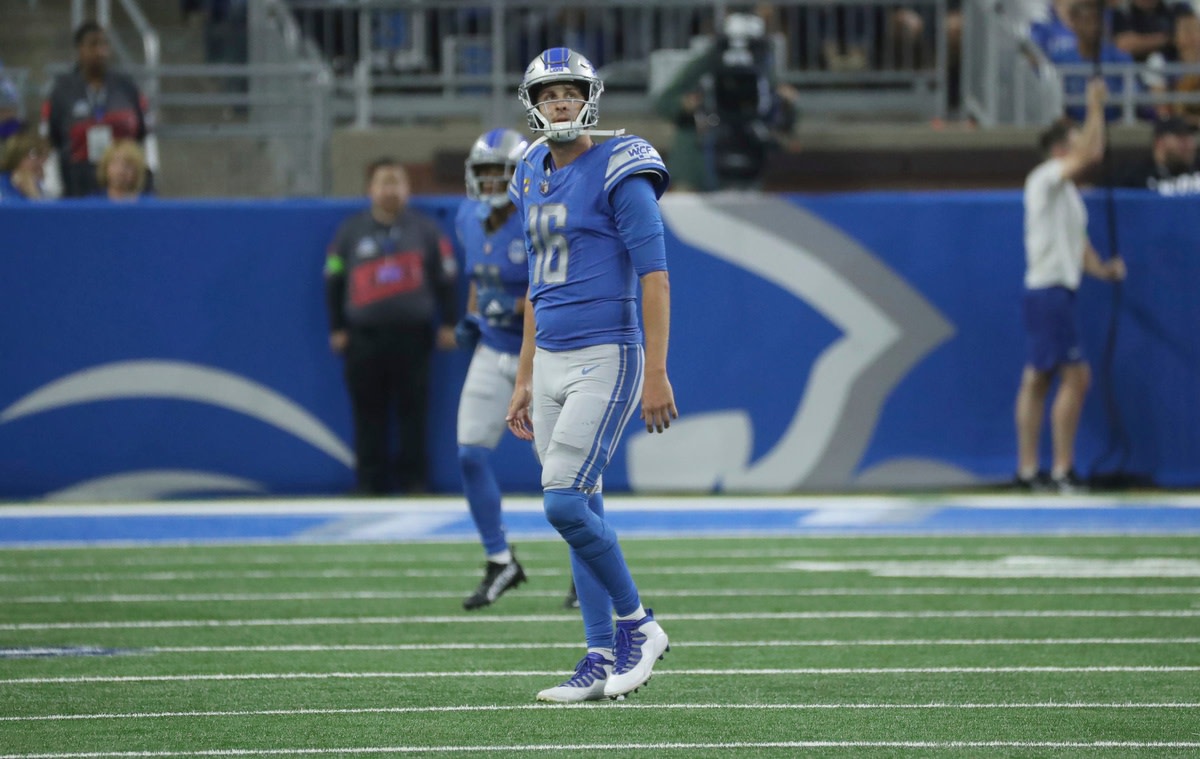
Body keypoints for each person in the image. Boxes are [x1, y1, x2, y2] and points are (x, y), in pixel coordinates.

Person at [505, 47, 676, 703]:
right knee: (583, 508)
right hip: (549, 356)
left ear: (590, 98)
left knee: (564, 501)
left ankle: (640, 625)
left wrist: (656, 370)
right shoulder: (527, 170)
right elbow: (533, 285)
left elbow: (656, 276)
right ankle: (600, 654)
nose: (560, 104)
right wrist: (524, 376)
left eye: (570, 93)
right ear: (532, 104)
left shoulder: (621, 163)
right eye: (549, 95)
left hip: (607, 351)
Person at [1015, 78, 1126, 494]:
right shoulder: (1044, 178)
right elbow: (1093, 153)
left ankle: (1031, 471)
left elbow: (1078, 247)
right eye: (1074, 140)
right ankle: (1060, 470)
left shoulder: (1069, 197)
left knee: (1039, 379)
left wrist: (1103, 270)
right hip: (1048, 291)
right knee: (1075, 377)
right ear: (1061, 149)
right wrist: (1094, 104)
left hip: (1057, 291)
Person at [324, 158, 458, 495]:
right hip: (363, 338)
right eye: (383, 183)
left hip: (414, 336)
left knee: (414, 411)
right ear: (370, 189)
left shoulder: (426, 231)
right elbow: (333, 279)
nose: (390, 190)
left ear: (407, 189)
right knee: (368, 411)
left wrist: (450, 322)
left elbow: (447, 279)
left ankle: (414, 481)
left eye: (396, 182)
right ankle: (369, 482)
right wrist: (337, 327)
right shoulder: (350, 232)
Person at [453, 127, 534, 610]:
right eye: (482, 172)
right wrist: (473, 314)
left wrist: (509, 311)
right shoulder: (468, 215)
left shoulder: (538, 213)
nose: (489, 182)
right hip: (492, 347)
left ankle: (585, 562)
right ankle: (500, 560)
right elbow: (477, 277)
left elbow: (549, 291)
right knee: (470, 454)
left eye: (497, 172)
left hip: (540, 353)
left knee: (562, 473)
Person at [653, 11, 797, 192]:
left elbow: (782, 115)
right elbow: (663, 102)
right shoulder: (705, 64)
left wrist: (787, 103)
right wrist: (685, 104)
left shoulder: (761, 71)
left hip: (746, 158)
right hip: (697, 160)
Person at [42, 21, 154, 198]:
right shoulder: (63, 90)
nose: (100, 51)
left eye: (104, 44)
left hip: (123, 180)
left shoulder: (125, 86)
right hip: (78, 178)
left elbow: (140, 131)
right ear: (80, 49)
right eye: (93, 44)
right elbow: (55, 135)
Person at [1119, 116, 1200, 195]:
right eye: (1182, 139)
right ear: (1160, 142)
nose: (1190, 145)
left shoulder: (1196, 167)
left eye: (1191, 137)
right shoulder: (1136, 177)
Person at [1111, 0, 1193, 63]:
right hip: (1137, 73)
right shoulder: (1123, 12)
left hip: (1175, 69)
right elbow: (1124, 45)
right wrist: (1166, 39)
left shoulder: (1175, 8)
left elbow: (1192, 36)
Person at [0, 129, 50, 202]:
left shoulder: (42, 185)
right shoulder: (2, 184)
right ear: (16, 156)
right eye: (34, 155)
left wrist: (34, 194)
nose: (40, 161)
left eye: (43, 155)